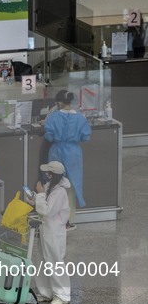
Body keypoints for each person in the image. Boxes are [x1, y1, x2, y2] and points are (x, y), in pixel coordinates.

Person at [44, 90, 91, 231]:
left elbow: (49, 136)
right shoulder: (80, 118)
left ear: (59, 102)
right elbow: (86, 136)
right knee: (71, 187)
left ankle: (53, 217)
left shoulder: (53, 117)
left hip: (56, 152)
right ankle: (68, 220)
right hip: (73, 153)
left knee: (55, 185)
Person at [28, 161, 71, 304]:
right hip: (45, 229)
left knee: (55, 261)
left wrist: (39, 194)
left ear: (52, 174)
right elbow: (42, 202)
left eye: (48, 172)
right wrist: (34, 197)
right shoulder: (49, 187)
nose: (46, 174)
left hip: (54, 232)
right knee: (42, 260)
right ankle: (47, 292)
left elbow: (47, 210)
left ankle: (62, 294)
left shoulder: (60, 192)